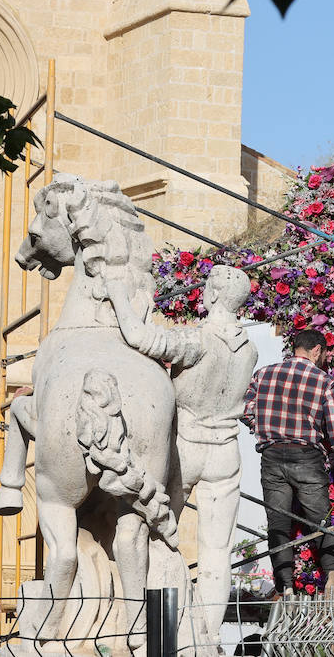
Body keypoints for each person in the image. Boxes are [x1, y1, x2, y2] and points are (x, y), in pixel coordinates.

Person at [104, 265, 258, 644]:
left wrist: (119, 295)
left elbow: (140, 336)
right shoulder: (250, 350)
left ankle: (159, 636)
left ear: (213, 296)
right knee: (217, 552)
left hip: (186, 446)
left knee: (159, 535)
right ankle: (205, 637)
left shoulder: (197, 340)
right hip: (226, 452)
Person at [240, 329, 334, 595]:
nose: (326, 360)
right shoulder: (324, 381)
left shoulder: (263, 374)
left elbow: (245, 410)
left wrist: (265, 427)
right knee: (321, 523)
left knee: (278, 523)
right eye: (325, 354)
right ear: (317, 350)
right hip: (306, 457)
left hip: (272, 456)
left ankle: (285, 587)